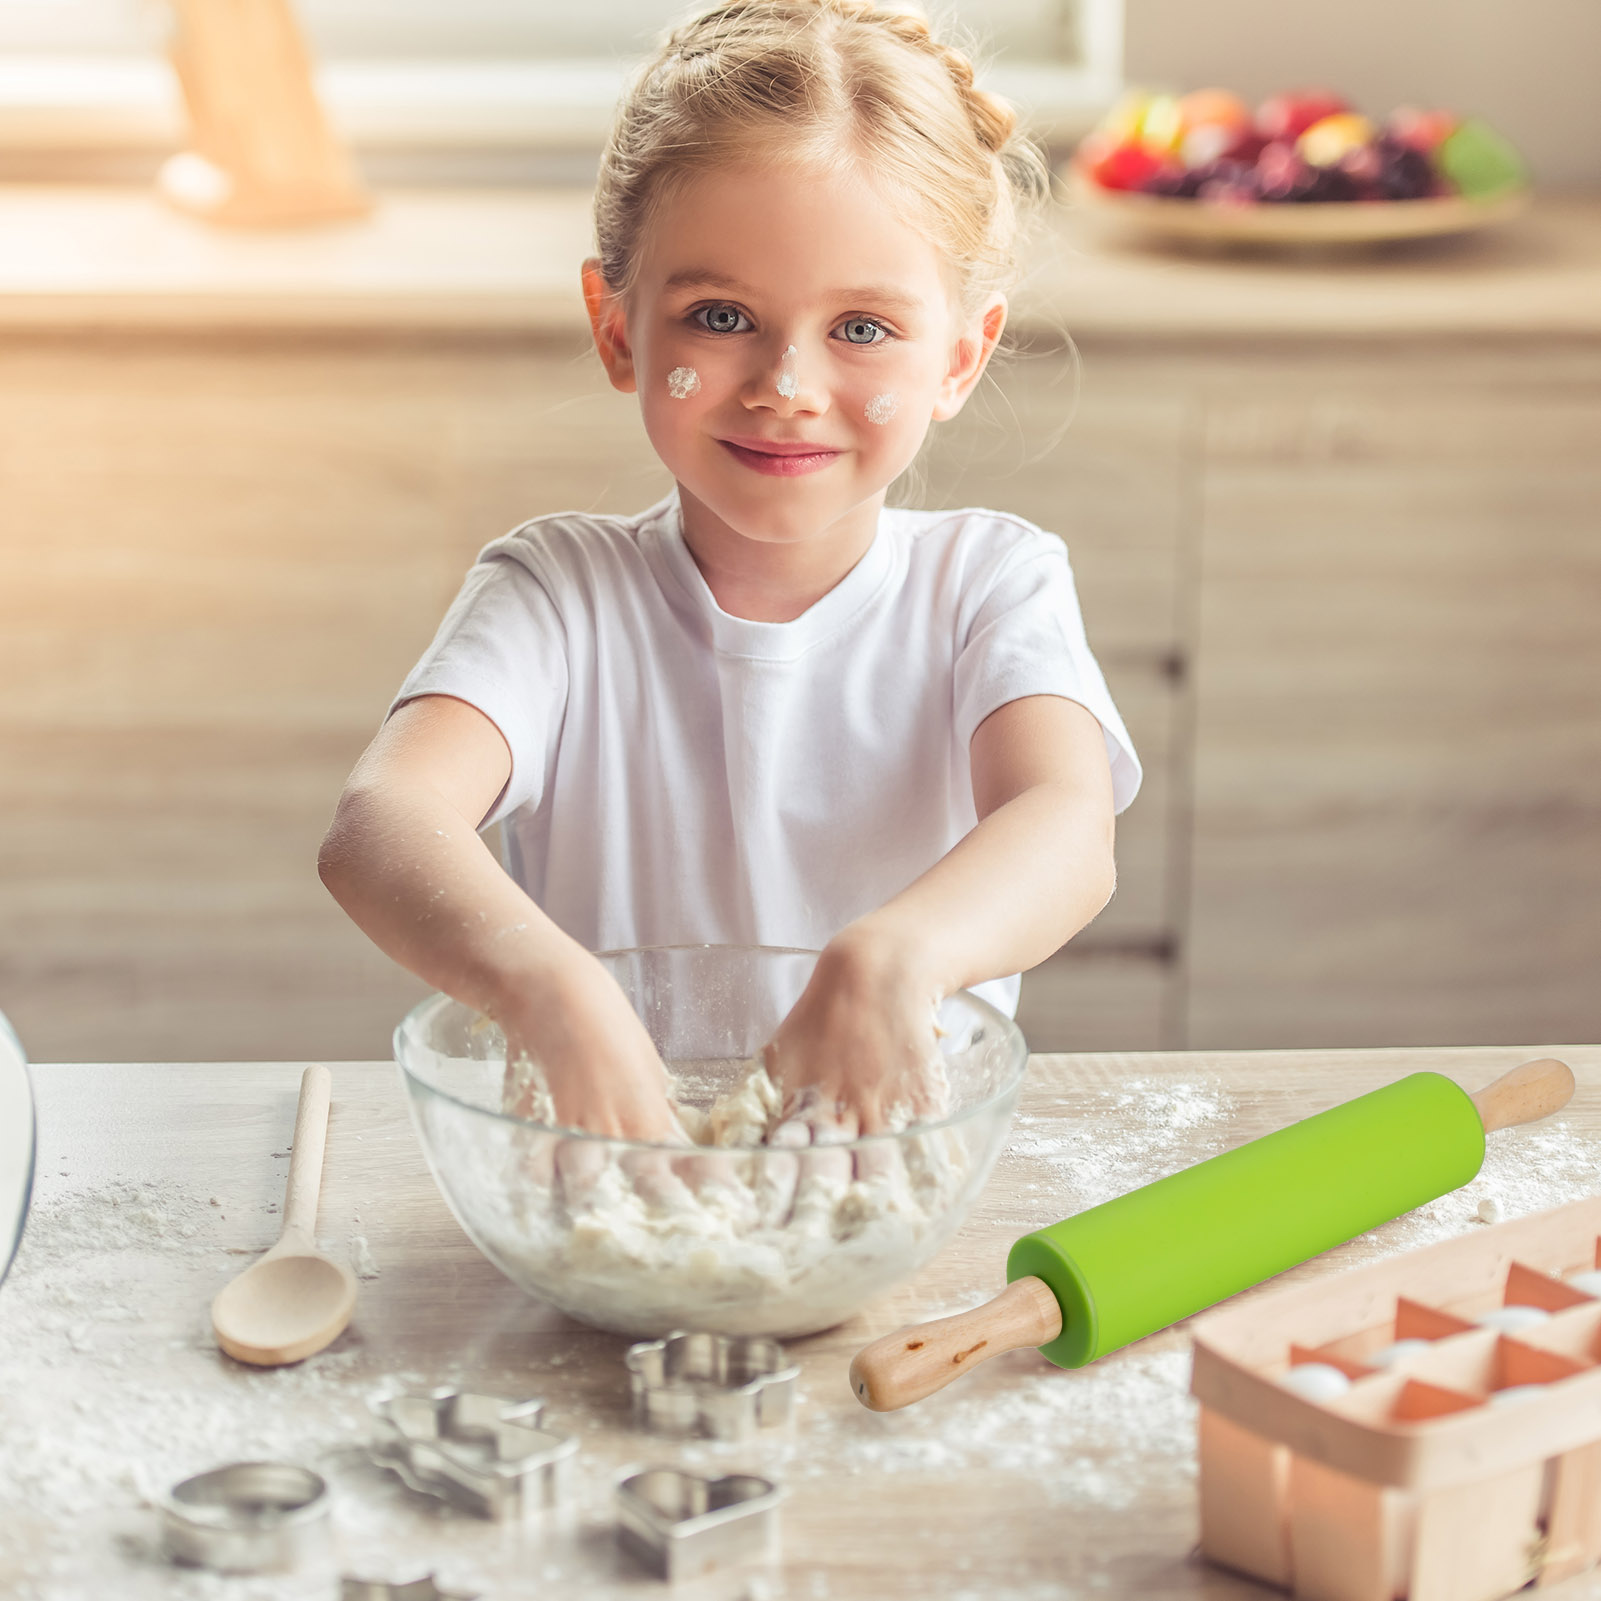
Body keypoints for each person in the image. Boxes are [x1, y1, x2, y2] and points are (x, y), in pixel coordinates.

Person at [317, 0, 1141, 1143]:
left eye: (861, 329)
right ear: (617, 331)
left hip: (887, 1170)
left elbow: (1065, 820)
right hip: (615, 1172)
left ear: (959, 355)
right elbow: (381, 821)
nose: (787, 382)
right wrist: (551, 988)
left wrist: (893, 954)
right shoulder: (559, 593)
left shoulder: (988, 583)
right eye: (720, 316)